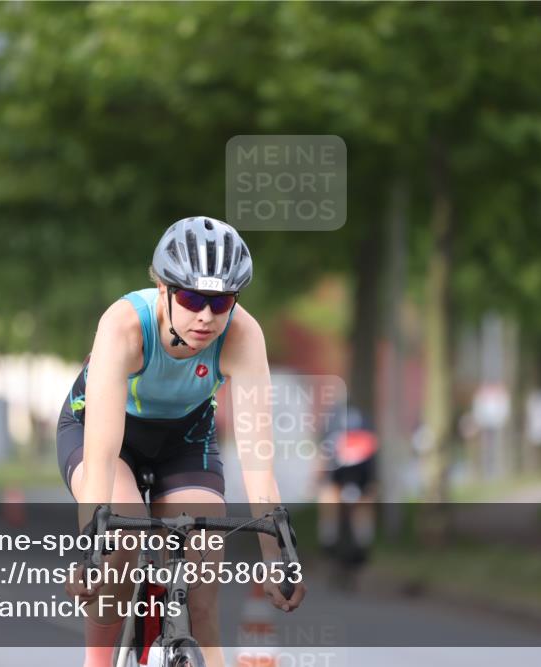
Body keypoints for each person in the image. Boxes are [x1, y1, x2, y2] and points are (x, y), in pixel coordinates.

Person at [57, 216, 306, 667]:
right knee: (121, 539)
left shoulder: (243, 335)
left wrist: (276, 556)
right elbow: (100, 459)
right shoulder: (124, 327)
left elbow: (258, 462)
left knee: (202, 594)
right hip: (106, 436)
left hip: (185, 440)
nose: (206, 316)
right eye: (192, 299)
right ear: (163, 289)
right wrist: (88, 554)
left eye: (221, 301)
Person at [314, 405, 379, 589]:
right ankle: (355, 540)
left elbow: (321, 464)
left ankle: (330, 538)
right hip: (348, 472)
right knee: (359, 501)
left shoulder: (333, 429)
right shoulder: (363, 428)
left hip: (351, 472)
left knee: (330, 496)